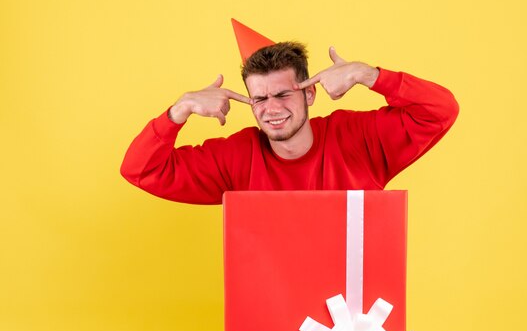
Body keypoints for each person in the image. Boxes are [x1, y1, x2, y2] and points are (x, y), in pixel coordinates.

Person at [120, 41, 459, 204]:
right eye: (260, 99)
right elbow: (141, 170)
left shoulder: (358, 137)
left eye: (283, 95)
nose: (271, 109)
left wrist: (368, 75)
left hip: (356, 328)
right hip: (271, 327)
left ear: (309, 95)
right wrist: (178, 112)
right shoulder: (236, 156)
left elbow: (440, 110)